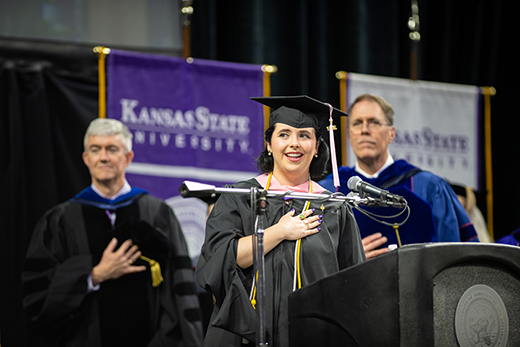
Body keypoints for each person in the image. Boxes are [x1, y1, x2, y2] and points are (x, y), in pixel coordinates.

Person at [195, 96, 366, 346]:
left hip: (311, 338)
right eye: (284, 134)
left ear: (317, 147)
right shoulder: (240, 198)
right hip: (242, 337)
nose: (294, 144)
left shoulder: (334, 209)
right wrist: (278, 232)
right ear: (269, 144)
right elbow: (219, 262)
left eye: (304, 136)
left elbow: (353, 288)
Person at [22, 118, 203, 347]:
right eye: (95, 150)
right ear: (86, 159)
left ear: (128, 158)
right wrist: (94, 275)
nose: (104, 157)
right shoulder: (60, 220)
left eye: (112, 149)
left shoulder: (157, 213)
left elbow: (180, 289)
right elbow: (38, 298)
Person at [319, 94, 479, 260]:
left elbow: (454, 253)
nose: (364, 130)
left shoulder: (428, 186)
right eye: (357, 123)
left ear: (391, 133)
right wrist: (349, 258)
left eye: (373, 122)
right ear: (349, 134)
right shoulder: (329, 191)